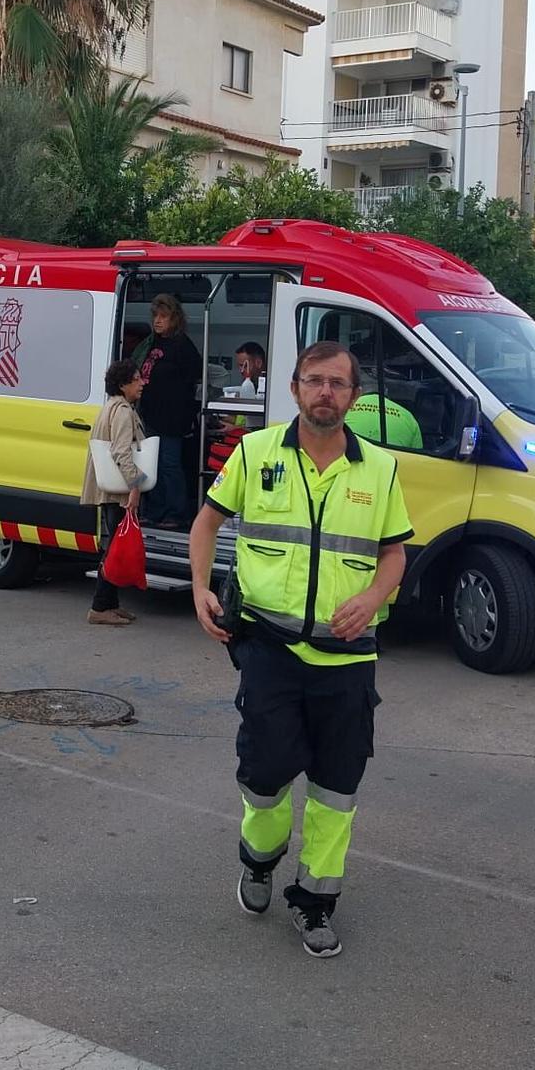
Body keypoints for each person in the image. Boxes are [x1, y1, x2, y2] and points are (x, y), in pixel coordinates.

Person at [188, 341, 411, 959]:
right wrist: (201, 587)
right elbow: (207, 522)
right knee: (265, 777)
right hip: (270, 650)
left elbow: (395, 552)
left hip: (347, 658)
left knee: (337, 787)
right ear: (294, 388)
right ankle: (259, 860)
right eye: (314, 381)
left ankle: (315, 902)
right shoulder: (256, 452)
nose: (325, 393)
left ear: (354, 396)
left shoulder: (380, 469)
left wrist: (372, 597)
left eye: (338, 383)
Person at [78, 359, 147, 627]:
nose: (142, 383)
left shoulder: (111, 407)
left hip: (109, 489)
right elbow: (121, 452)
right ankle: (99, 607)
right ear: (122, 385)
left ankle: (111, 604)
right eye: (136, 379)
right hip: (118, 491)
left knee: (114, 546)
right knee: (115, 551)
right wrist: (135, 485)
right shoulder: (123, 412)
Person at [132, 294, 203, 528]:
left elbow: (195, 377)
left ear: (175, 319)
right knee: (151, 465)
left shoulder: (182, 345)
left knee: (169, 465)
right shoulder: (150, 343)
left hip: (172, 417)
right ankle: (155, 511)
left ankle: (177, 513)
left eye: (163, 316)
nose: (158, 321)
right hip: (149, 414)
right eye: (155, 316)